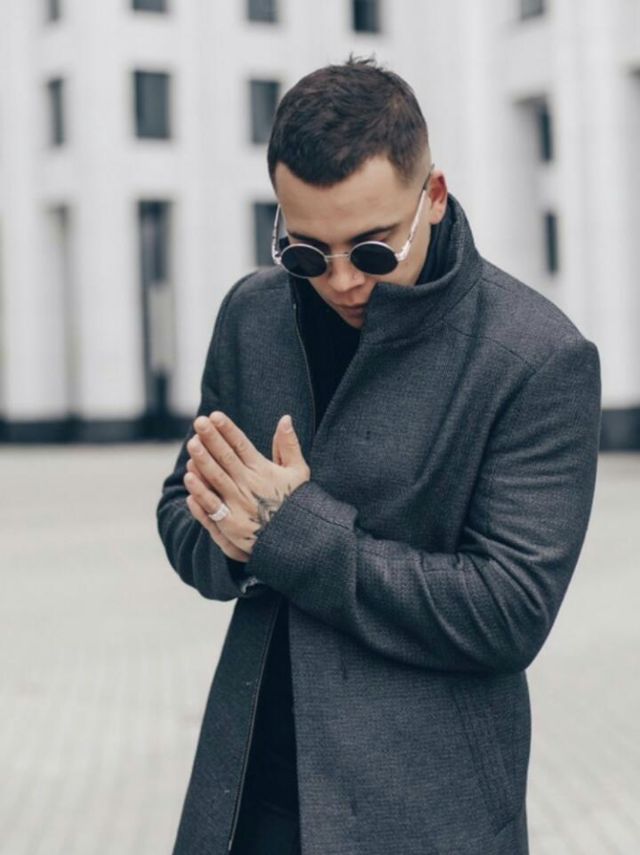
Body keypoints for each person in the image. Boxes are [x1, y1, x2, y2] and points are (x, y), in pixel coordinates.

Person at [156, 56, 601, 855]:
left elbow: (508, 612)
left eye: (371, 251)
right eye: (305, 252)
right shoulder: (252, 315)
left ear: (434, 195)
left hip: (426, 810)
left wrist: (289, 531)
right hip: (250, 791)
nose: (340, 281)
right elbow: (182, 510)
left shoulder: (538, 357)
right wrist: (230, 539)